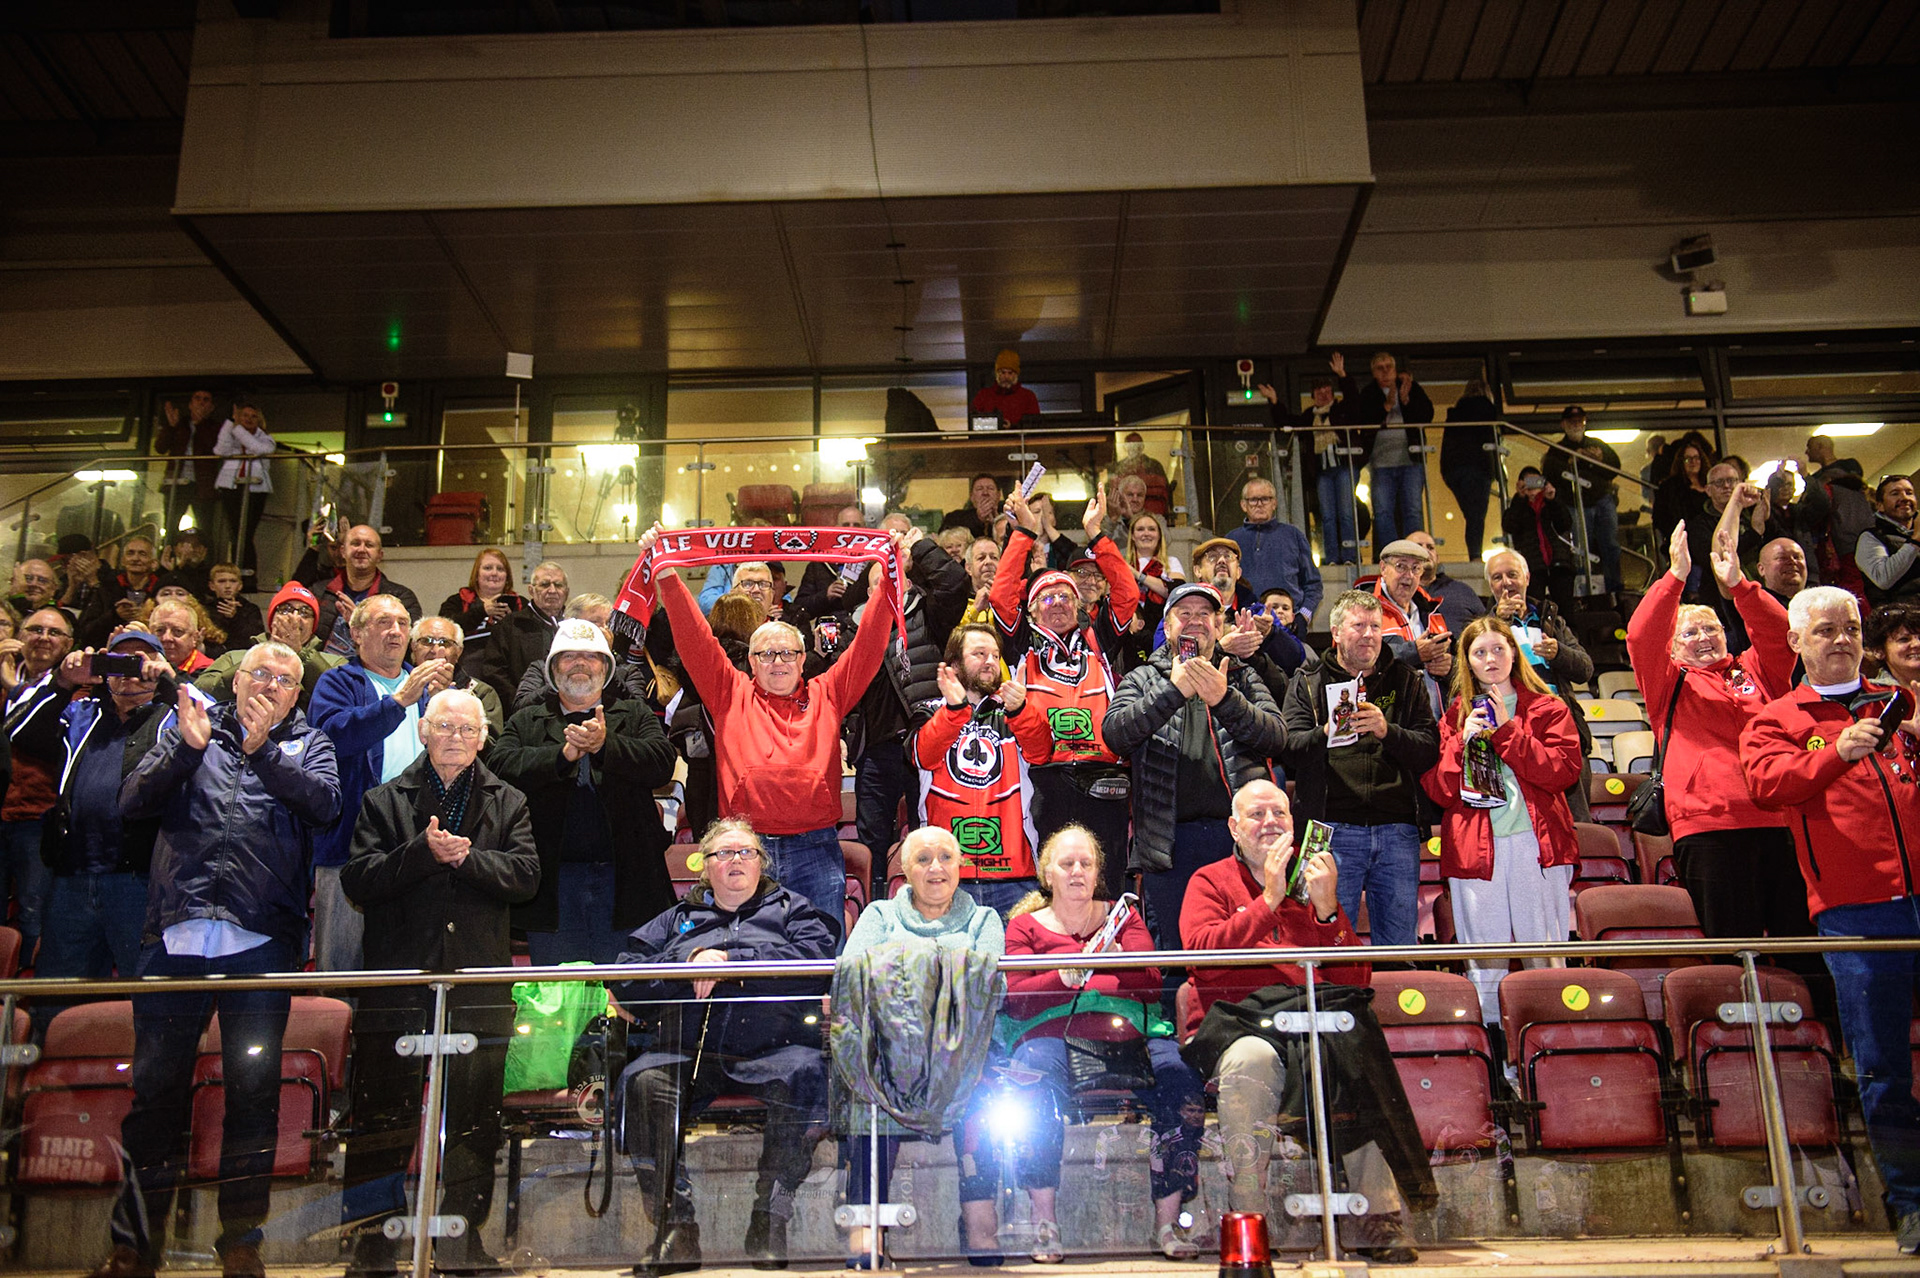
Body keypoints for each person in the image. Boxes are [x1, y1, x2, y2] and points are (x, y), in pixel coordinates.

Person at [94, 642, 340, 1278]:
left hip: (260, 942)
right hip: (175, 938)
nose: (271, 685)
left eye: (286, 681)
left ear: (297, 694)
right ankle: (133, 1245)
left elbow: (324, 807)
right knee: (155, 1094)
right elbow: (131, 801)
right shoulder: (189, 727)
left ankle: (240, 1239)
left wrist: (263, 753)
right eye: (261, 673)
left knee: (252, 1093)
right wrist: (185, 748)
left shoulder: (311, 744)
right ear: (236, 680)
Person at [1740, 585, 1920, 1257]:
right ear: (1796, 642)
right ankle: (1911, 1204)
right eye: (1824, 631)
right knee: (1881, 1068)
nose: (1839, 639)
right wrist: (1834, 753)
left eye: (1849, 628)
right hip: (1856, 912)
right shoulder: (1778, 717)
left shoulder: (1901, 703)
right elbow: (1766, 784)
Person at [339, 687, 539, 1278]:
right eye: (443, 726)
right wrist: (423, 853)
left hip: (477, 986)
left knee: (476, 1117)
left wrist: (465, 858)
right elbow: (358, 880)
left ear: (482, 739)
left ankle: (462, 1239)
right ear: (423, 731)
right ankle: (371, 1243)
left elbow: (525, 876)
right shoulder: (382, 800)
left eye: (467, 729)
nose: (455, 737)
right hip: (400, 984)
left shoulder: (511, 801)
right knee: (381, 1117)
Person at [1178, 779, 1423, 1264]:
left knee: (1350, 1048)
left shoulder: (1314, 882)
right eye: (1256, 814)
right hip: (1238, 1027)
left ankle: (1381, 1218)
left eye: (1280, 814)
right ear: (1233, 826)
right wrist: (1267, 902)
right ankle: (1248, 1221)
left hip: (1309, 1023)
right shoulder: (1209, 880)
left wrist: (1330, 910)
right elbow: (1201, 957)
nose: (1270, 823)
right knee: (1253, 1059)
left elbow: (1354, 981)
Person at [646, 521, 899, 933]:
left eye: (787, 653)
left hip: (816, 848)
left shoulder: (829, 692)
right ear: (750, 661)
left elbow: (869, 644)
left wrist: (889, 578)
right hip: (746, 851)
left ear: (803, 659)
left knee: (818, 961)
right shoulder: (729, 692)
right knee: (747, 961)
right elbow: (694, 639)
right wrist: (669, 575)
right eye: (766, 653)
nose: (777, 661)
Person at [973, 826, 1205, 1261]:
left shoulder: (1125, 917)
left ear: (1098, 872)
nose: (1077, 871)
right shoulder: (1024, 926)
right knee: (1031, 1084)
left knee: (1181, 1084)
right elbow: (1019, 997)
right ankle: (1045, 1222)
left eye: (1086, 863)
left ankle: (1168, 1224)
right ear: (1048, 872)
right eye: (1066, 863)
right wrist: (1066, 975)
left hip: (1130, 1036)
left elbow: (1150, 984)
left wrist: (1097, 968)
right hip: (1051, 1036)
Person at [615, 817, 836, 1274]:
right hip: (686, 1051)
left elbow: (818, 962)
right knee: (642, 1083)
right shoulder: (676, 920)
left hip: (775, 1048)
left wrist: (735, 960)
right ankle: (675, 1230)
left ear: (761, 862)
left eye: (746, 852)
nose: (736, 860)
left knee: (810, 1075)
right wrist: (689, 958)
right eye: (723, 853)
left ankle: (768, 1221)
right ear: (705, 868)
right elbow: (627, 975)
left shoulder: (794, 909)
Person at [1626, 522, 1805, 942]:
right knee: (1733, 948)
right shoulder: (1668, 681)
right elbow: (1640, 634)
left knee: (1801, 945)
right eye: (1690, 633)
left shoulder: (1757, 671)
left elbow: (1782, 635)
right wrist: (1675, 577)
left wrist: (1740, 586)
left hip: (1780, 821)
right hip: (1709, 829)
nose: (1704, 637)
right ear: (1671, 646)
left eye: (1712, 629)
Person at [835, 826, 1006, 1265]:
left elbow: (991, 988)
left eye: (946, 857)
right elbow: (852, 978)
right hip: (891, 1051)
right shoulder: (878, 915)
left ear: (961, 866)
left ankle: (978, 1213)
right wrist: (945, 969)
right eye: (924, 859)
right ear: (905, 871)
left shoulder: (984, 920)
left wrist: (900, 967)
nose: (936, 867)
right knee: (868, 1090)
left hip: (963, 1050)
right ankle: (866, 1224)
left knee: (986, 1088)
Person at [12, 629, 179, 1037]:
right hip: (72, 877)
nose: (129, 672)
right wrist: (63, 681)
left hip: (140, 881)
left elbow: (216, 727)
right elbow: (19, 734)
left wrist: (172, 682)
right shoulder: (82, 713)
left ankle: (146, 1090)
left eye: (140, 661)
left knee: (149, 998)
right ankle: (47, 1088)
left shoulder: (174, 715)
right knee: (58, 995)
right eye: (117, 662)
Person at [1103, 581, 1285, 949]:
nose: (1195, 621)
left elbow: (1278, 737)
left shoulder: (1243, 676)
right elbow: (1115, 735)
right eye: (1184, 614)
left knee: (1247, 950)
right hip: (1169, 844)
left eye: (1205, 614)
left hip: (1236, 839)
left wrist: (1224, 699)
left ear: (1219, 627)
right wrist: (1174, 691)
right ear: (1167, 627)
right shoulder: (1142, 678)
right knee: (1176, 954)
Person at [491, 617, 678, 965]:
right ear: (552, 668)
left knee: (625, 993)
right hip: (552, 886)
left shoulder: (634, 714)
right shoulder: (525, 720)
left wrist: (606, 746)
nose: (580, 663)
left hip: (626, 881)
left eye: (591, 657)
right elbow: (500, 767)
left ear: (606, 667)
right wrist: (561, 757)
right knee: (558, 999)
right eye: (569, 656)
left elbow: (662, 762)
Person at [1423, 617, 1582, 1022]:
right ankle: (1495, 1059)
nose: (1490, 659)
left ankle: (1551, 1050)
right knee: (1484, 963)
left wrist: (1507, 732)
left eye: (1498, 649)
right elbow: (1438, 789)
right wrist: (1463, 742)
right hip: (1476, 853)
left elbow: (1562, 772)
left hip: (1537, 847)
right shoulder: (1455, 715)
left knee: (1544, 956)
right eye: (1480, 652)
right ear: (1468, 663)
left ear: (1514, 653)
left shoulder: (1548, 708)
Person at [991, 491, 1138, 896]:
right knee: (1052, 882)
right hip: (1046, 778)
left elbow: (1127, 595)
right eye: (1046, 598)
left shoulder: (1098, 638)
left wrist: (1097, 536)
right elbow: (1002, 595)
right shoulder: (1021, 641)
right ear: (1032, 610)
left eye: (1066, 597)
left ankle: (1110, 955)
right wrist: (1024, 532)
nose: (1057, 603)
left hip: (1103, 776)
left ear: (1080, 605)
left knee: (1106, 883)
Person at [1279, 591, 1440, 948]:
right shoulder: (1307, 681)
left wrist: (1388, 732)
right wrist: (1328, 731)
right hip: (1330, 830)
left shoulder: (1406, 679)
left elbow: (1429, 749)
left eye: (1375, 627)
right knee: (1328, 943)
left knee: (1400, 946)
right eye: (1358, 626)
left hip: (1397, 831)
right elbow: (1289, 748)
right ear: (1336, 632)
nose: (1368, 634)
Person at [308, 595, 452, 971]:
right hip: (349, 847)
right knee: (341, 967)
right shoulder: (337, 681)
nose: (396, 632)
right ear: (356, 633)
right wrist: (397, 703)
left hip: (414, 843)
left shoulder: (426, 689)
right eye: (383, 623)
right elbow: (331, 737)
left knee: (407, 963)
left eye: (403, 623)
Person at [847, 515, 970, 858]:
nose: (885, 586)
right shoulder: (853, 630)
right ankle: (875, 907)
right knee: (872, 844)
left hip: (924, 745)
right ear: (868, 591)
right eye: (877, 582)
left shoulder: (930, 614)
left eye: (894, 577)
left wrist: (920, 548)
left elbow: (955, 582)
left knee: (928, 839)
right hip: (874, 752)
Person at [912, 624, 1053, 915]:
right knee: (950, 963)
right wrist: (954, 711)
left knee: (1017, 961)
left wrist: (1021, 711)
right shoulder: (929, 710)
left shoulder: (1014, 710)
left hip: (1014, 874)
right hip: (948, 877)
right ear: (954, 664)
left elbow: (1042, 752)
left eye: (995, 655)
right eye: (979, 653)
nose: (990, 661)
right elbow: (922, 755)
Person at [1484, 549, 1595, 819]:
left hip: (1562, 730)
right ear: (1490, 586)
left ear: (1527, 577)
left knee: (1576, 819)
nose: (1506, 583)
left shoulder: (1551, 618)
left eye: (1512, 574)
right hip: (1511, 729)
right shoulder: (1483, 626)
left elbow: (1585, 669)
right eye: (1498, 578)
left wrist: (1559, 654)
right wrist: (1499, 623)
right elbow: (1471, 672)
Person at [0, 606, 76, 962]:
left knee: (33, 915)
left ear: (69, 644)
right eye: (35, 630)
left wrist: (16, 691)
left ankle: (23, 1006)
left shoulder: (75, 691)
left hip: (37, 816)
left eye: (54, 633)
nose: (43, 638)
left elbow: (40, 740)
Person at [1259, 356, 1365, 565]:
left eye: (1327, 392)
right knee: (1326, 516)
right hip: (1322, 472)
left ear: (1333, 394)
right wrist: (1274, 400)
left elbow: (1354, 400)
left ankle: (1351, 556)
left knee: (1346, 513)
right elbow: (1286, 421)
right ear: (1313, 396)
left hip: (1344, 468)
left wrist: (1342, 375)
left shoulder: (1342, 410)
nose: (1323, 396)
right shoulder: (1309, 416)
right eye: (1319, 393)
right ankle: (1332, 557)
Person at [196, 581, 343, 708]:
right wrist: (261, 657)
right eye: (286, 610)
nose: (294, 617)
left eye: (305, 613)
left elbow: (340, 696)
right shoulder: (235, 657)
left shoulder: (334, 662)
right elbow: (201, 691)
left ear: (313, 625)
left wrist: (300, 652)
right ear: (272, 619)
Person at [1349, 351, 1434, 548]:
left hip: (1411, 459)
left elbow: (1426, 415)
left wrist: (1406, 401)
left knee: (1413, 509)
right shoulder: (1369, 393)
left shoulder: (1411, 388)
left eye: (1389, 367)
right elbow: (1363, 420)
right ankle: (1391, 552)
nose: (1386, 371)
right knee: (1382, 510)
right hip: (1381, 462)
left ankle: (1415, 550)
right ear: (1374, 373)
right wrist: (1386, 406)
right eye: (1381, 368)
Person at [512, 593, 652, 710]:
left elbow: (639, 711)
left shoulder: (628, 671)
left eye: (608, 623)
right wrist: (563, 678)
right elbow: (520, 708)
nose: (604, 629)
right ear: (570, 625)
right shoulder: (541, 667)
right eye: (595, 623)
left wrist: (606, 666)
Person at [304, 524, 424, 655]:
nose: (361, 549)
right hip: (322, 670)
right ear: (343, 551)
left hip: (373, 672)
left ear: (380, 555)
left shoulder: (401, 598)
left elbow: (407, 646)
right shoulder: (319, 591)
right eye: (355, 543)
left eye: (369, 545)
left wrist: (361, 622)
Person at [1541, 406, 1622, 594]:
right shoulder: (1557, 450)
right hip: (1574, 504)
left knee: (1610, 544)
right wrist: (1573, 461)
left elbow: (1615, 467)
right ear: (1564, 424)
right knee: (1580, 548)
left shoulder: (1598, 444)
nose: (1577, 425)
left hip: (1602, 500)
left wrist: (1600, 458)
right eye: (1572, 421)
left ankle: (1614, 586)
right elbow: (1550, 472)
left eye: (1580, 421)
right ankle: (1584, 588)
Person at [1226, 476, 1322, 622]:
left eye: (1265, 499)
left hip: (1288, 624)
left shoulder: (1293, 535)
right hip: (1243, 622)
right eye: (1253, 500)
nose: (1259, 504)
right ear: (1243, 505)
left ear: (1274, 503)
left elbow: (1313, 585)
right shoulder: (1231, 540)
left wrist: (1303, 617)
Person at [1370, 539, 1454, 695]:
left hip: (1436, 714)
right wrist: (1414, 653)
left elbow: (1457, 662)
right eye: (1401, 566)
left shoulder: (1431, 610)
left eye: (1416, 568)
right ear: (1383, 568)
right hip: (1389, 712)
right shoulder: (1367, 609)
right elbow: (1364, 658)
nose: (1408, 575)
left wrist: (1449, 668)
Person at [478, 560, 569, 691]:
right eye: (545, 585)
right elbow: (494, 672)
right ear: (531, 591)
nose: (552, 590)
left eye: (559, 585)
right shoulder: (510, 625)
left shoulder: (575, 625)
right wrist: (520, 702)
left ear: (566, 592)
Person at [212, 401, 276, 583]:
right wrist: (230, 424)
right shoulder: (232, 433)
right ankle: (235, 574)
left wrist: (237, 428)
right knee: (235, 532)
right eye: (244, 416)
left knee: (246, 532)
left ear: (259, 420)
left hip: (255, 488)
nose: (248, 419)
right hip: (231, 487)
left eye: (253, 416)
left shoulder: (266, 439)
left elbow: (258, 449)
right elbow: (220, 450)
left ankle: (247, 576)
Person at [1439, 373, 1500, 561]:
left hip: (1453, 469)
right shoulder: (1486, 409)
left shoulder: (1456, 412)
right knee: (1476, 515)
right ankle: (1475, 555)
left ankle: (1475, 553)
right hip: (1477, 466)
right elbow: (1492, 440)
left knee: (1471, 514)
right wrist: (1498, 472)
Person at [1501, 466, 1577, 615]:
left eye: (1536, 480)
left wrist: (1552, 499)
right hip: (1533, 566)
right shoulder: (1518, 504)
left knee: (1566, 610)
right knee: (1535, 609)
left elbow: (1565, 524)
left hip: (1559, 562)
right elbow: (1509, 525)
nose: (1533, 485)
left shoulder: (1551, 501)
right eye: (1528, 481)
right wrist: (1521, 499)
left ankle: (1567, 637)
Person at [437, 546, 524, 675]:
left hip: (506, 664)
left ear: (507, 577)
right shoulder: (457, 600)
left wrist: (510, 622)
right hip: (467, 663)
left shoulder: (520, 603)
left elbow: (528, 639)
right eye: (488, 568)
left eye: (500, 569)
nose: (494, 573)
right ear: (477, 575)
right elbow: (445, 628)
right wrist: (482, 611)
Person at [413, 615, 504, 735]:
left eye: (445, 643)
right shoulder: (398, 688)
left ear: (459, 651)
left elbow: (491, 746)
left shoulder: (480, 693)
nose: (435, 650)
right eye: (427, 641)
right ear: (413, 647)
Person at [155, 388, 225, 538]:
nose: (201, 402)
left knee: (205, 530)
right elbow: (160, 448)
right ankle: (168, 559)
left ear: (211, 407)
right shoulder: (180, 424)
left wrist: (200, 424)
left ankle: (206, 561)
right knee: (170, 528)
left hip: (203, 486)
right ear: (190, 404)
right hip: (176, 483)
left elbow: (215, 448)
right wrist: (171, 427)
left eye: (206, 399)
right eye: (197, 398)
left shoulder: (216, 427)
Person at [77, 535, 161, 649]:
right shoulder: (107, 588)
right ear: (123, 561)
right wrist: (115, 615)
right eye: (130, 553)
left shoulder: (161, 590)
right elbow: (86, 632)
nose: (135, 558)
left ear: (154, 563)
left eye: (142, 554)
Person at [1407, 529, 1485, 636]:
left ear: (1437, 558)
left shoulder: (1462, 591)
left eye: (1430, 548)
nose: (1426, 551)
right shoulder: (1395, 594)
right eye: (1419, 546)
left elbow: (1486, 628)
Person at [1856, 475, 1920, 606]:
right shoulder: (1871, 537)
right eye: (1895, 494)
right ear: (1880, 506)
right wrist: (1915, 543)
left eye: (1909, 493)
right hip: (1902, 619)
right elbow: (1883, 578)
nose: (1904, 498)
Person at [140, 595, 217, 679]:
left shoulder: (209, 672)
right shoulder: (141, 661)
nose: (167, 638)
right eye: (159, 630)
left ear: (195, 638)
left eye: (177, 631)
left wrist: (172, 676)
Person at [1652, 437, 1713, 541]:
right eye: (1688, 458)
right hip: (1685, 539)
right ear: (1681, 462)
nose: (1693, 462)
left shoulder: (1712, 483)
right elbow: (1660, 517)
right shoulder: (1670, 487)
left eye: (1696, 458)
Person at [971, 348, 1041, 428]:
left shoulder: (1028, 397)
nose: (1006, 376)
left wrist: (1013, 426)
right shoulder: (983, 396)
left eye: (1010, 373)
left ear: (1016, 374)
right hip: (991, 440)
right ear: (997, 374)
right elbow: (974, 422)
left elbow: (1035, 424)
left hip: (1019, 440)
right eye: (1003, 372)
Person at [204, 562, 263, 650]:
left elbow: (257, 642)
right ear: (212, 586)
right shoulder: (205, 610)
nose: (227, 586)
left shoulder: (251, 610)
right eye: (221, 581)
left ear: (240, 585)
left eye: (233, 581)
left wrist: (236, 618)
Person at [958, 536, 1002, 630]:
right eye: (981, 558)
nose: (988, 562)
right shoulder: (956, 600)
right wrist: (975, 609)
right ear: (969, 568)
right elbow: (954, 640)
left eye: (994, 557)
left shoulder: (1011, 598)